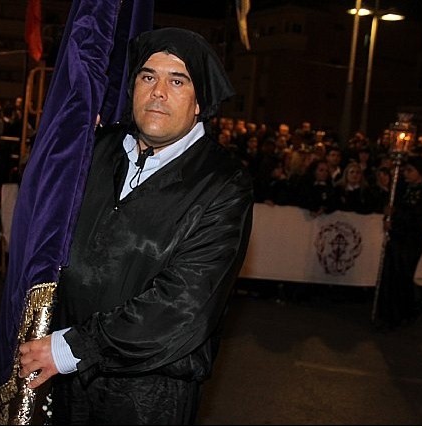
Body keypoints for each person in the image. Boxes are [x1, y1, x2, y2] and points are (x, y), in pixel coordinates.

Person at [16, 28, 253, 425]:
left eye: (177, 80)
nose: (158, 91)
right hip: (60, 379)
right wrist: (61, 145)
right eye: (147, 77)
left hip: (148, 395)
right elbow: (40, 223)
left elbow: (185, 306)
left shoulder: (222, 183)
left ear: (200, 103)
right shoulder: (95, 148)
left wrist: (72, 347)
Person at [377, 156, 422, 329]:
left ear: (420, 173)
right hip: (396, 239)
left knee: (402, 277)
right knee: (390, 275)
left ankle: (400, 314)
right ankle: (389, 313)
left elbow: (420, 222)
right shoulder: (402, 188)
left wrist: (396, 215)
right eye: (405, 170)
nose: (406, 173)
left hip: (410, 242)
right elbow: (392, 203)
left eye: (410, 170)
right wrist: (388, 216)